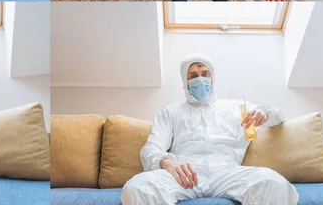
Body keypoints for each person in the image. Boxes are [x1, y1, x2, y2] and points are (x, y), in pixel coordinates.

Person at [121, 54, 299, 205]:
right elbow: (151, 148)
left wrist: (264, 114)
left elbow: (277, 115)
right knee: (137, 188)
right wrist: (166, 162)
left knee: (274, 183)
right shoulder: (171, 112)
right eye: (193, 75)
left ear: (212, 78)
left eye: (205, 74)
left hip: (228, 173)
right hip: (184, 175)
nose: (200, 79)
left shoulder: (236, 106)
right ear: (185, 82)